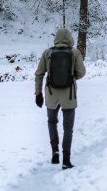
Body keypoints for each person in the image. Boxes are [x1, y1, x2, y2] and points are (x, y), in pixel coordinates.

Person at [34, 27, 86, 169]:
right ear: (69, 38)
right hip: (69, 95)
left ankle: (55, 151)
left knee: (52, 122)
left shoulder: (47, 53)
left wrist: (38, 93)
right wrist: (72, 76)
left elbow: (39, 74)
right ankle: (66, 160)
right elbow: (82, 72)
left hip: (51, 94)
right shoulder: (74, 52)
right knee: (68, 128)